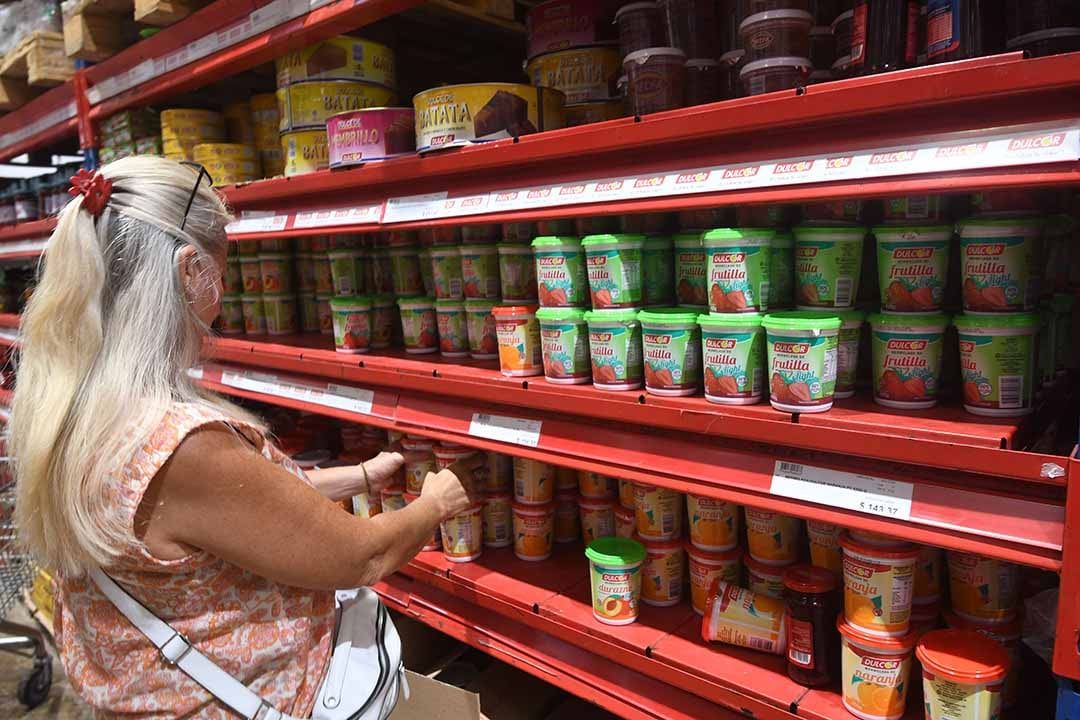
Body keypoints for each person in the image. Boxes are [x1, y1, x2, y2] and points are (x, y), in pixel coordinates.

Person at [9, 156, 479, 718]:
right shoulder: (178, 444)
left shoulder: (76, 408)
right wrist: (436, 502)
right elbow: (362, 555)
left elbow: (224, 514)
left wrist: (357, 476)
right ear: (188, 272)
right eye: (222, 264)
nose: (227, 287)